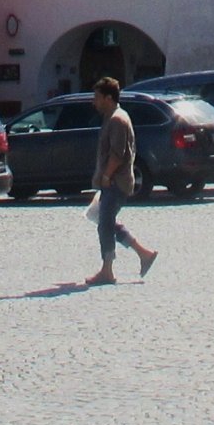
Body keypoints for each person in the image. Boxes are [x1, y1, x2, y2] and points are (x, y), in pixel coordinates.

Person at [87, 76, 158, 286]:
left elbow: (118, 154)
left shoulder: (118, 119)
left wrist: (107, 176)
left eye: (98, 97)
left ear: (109, 98)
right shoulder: (113, 117)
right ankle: (144, 254)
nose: (94, 102)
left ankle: (107, 270)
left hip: (116, 182)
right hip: (112, 181)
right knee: (106, 222)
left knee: (105, 225)